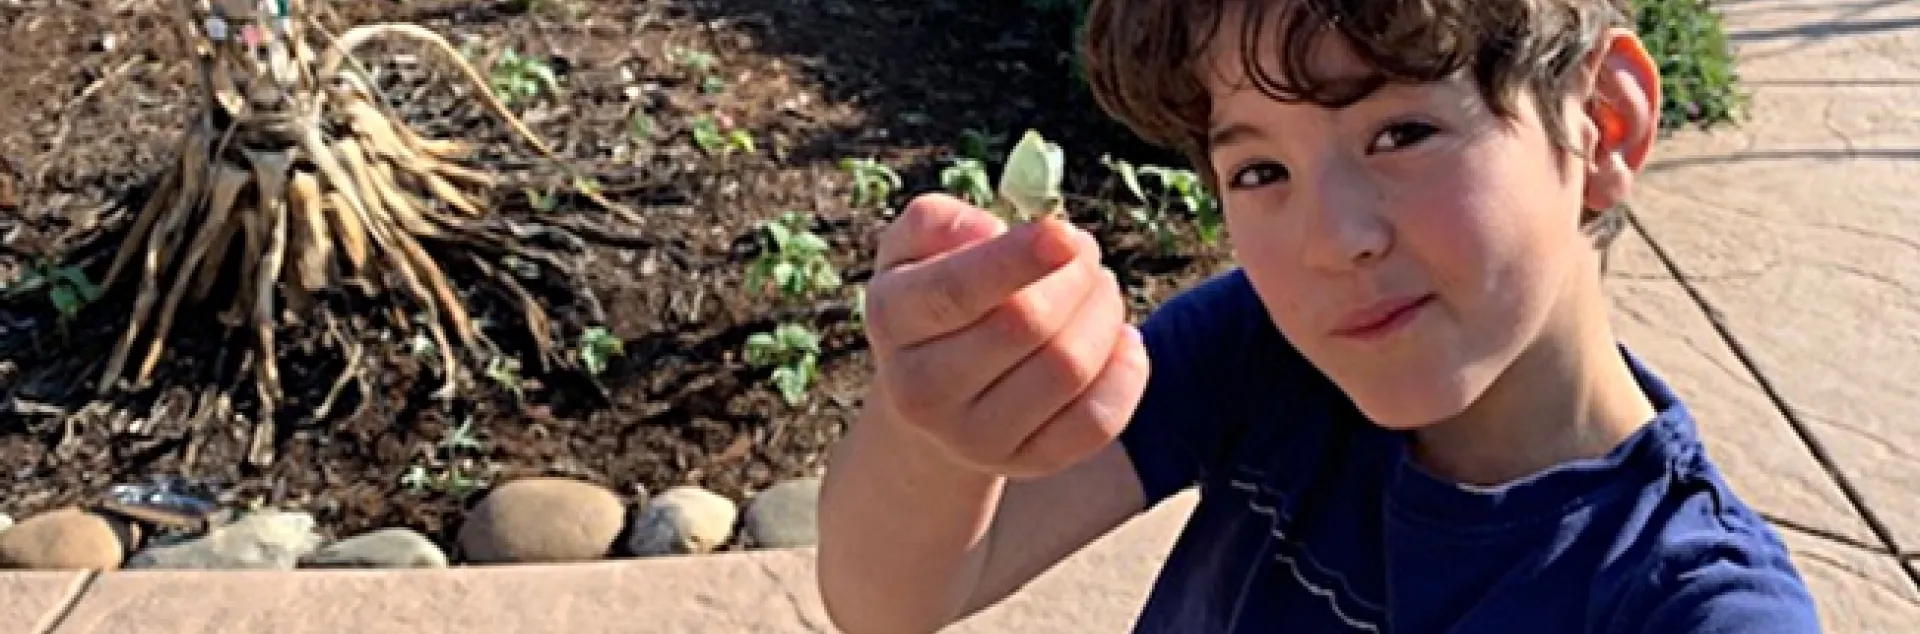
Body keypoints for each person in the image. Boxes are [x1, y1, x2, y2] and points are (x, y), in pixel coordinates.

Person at [815, 0, 1823, 631]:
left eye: (1401, 131)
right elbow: (892, 602)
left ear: (1602, 123)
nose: (1334, 238)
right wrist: (939, 430)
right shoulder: (1259, 350)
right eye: (1260, 169)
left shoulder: (1690, 605)